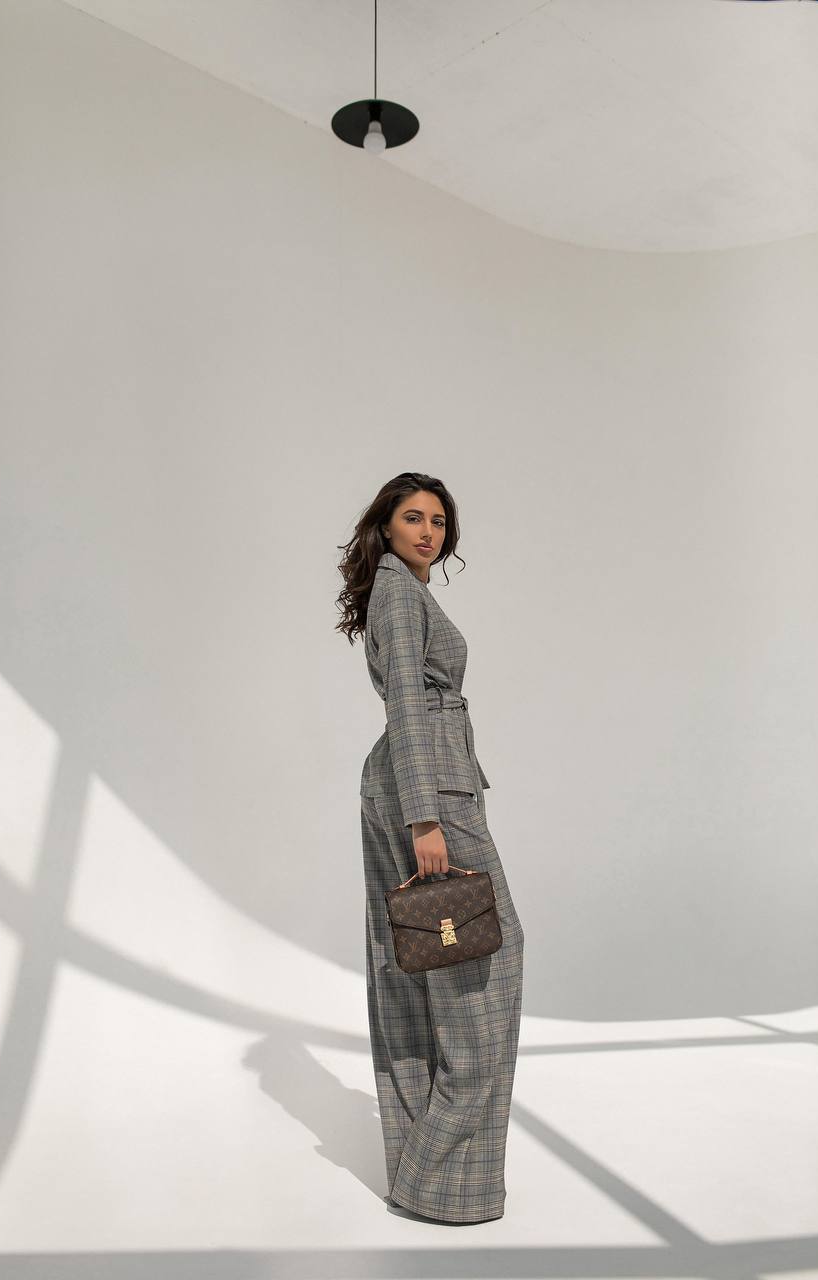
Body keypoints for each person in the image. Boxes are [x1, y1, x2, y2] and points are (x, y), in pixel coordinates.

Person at [336, 471, 524, 1224]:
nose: (428, 532)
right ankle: (445, 1177)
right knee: (485, 964)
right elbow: (409, 700)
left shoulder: (394, 589)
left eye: (439, 522)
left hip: (403, 776)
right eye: (412, 517)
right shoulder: (400, 591)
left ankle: (422, 1168)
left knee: (413, 966)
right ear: (384, 526)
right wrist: (425, 817)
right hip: (428, 782)